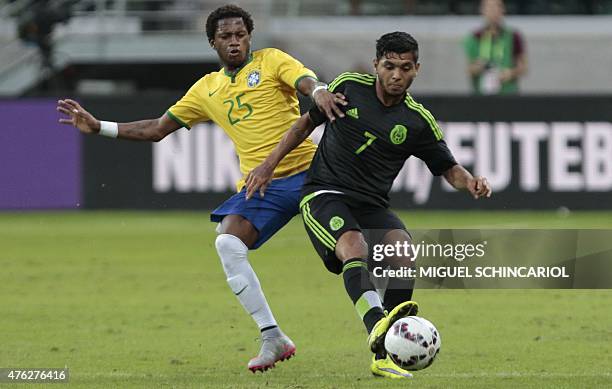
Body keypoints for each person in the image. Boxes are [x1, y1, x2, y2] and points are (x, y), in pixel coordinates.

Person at [57, 4, 345, 373]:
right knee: (227, 242)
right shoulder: (206, 89)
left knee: (348, 249)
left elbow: (306, 82)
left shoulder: (272, 61)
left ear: (250, 37)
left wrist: (319, 89)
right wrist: (101, 127)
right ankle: (272, 336)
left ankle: (384, 316)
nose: (235, 42)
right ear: (213, 42)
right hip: (264, 187)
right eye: (226, 36)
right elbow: (157, 128)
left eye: (241, 35)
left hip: (312, 173)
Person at [246, 31, 492, 379]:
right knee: (353, 245)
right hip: (324, 193)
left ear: (416, 69)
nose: (396, 75)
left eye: (405, 68)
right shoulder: (348, 87)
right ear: (376, 64)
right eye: (389, 66)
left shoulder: (417, 121)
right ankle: (377, 326)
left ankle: (386, 350)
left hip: (371, 203)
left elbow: (448, 168)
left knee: (403, 253)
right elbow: (304, 125)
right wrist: (269, 165)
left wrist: (470, 182)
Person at [464, 0, 527, 95]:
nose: (493, 11)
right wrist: (479, 67)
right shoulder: (474, 37)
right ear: (482, 10)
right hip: (481, 96)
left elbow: (523, 67)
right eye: (489, 7)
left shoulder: (513, 36)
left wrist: (510, 73)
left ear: (502, 10)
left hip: (508, 94)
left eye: (496, 7)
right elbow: (469, 69)